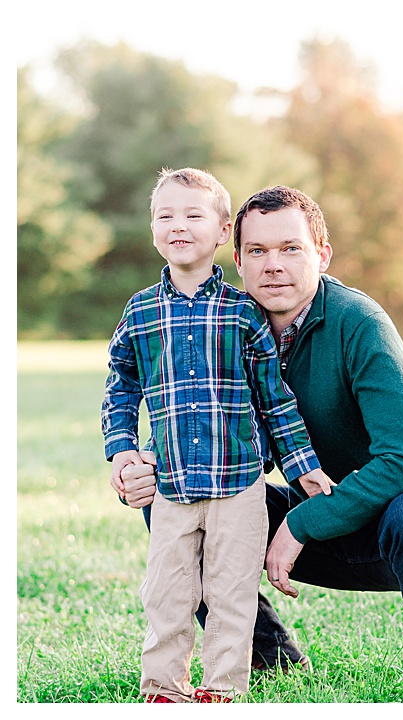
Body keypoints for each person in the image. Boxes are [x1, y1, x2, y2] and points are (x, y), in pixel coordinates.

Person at [112, 185, 403, 702]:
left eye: (291, 248)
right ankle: (271, 656)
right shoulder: (232, 325)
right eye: (257, 251)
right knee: (179, 501)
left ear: (322, 254)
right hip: (318, 514)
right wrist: (139, 465)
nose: (273, 265)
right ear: (235, 258)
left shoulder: (359, 322)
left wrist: (301, 524)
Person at [103, 168, 335, 703]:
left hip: (240, 486)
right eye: (165, 215)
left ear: (223, 231)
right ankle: (163, 686)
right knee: (167, 593)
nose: (178, 225)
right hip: (173, 486)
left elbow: (274, 398)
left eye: (192, 214)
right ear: (152, 229)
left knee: (231, 595)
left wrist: (301, 465)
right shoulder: (139, 312)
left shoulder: (242, 311)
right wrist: (121, 451)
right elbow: (120, 390)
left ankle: (221, 690)